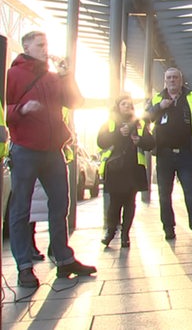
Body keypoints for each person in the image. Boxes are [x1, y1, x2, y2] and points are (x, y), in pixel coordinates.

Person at [7, 31, 96, 288]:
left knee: (61, 203)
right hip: (24, 149)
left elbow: (75, 101)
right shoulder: (13, 75)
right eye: (40, 45)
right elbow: (5, 107)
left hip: (53, 150)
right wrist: (21, 110)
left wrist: (67, 75)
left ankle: (62, 256)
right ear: (26, 47)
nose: (46, 49)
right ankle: (24, 265)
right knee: (20, 208)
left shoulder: (53, 78)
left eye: (47, 44)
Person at [146, 67, 192, 241]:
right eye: (169, 78)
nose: (172, 80)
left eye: (175, 77)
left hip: (185, 153)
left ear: (181, 80)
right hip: (164, 154)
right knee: (164, 194)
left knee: (190, 191)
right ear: (165, 81)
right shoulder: (158, 98)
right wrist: (159, 107)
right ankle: (168, 228)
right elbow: (145, 118)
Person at [97, 93, 155, 248]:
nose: (127, 106)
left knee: (130, 203)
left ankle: (125, 235)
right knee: (115, 203)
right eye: (123, 103)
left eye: (129, 104)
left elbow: (151, 143)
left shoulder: (139, 123)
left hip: (133, 169)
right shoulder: (110, 122)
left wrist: (140, 141)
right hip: (116, 169)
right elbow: (101, 142)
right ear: (118, 106)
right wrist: (117, 134)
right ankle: (110, 232)